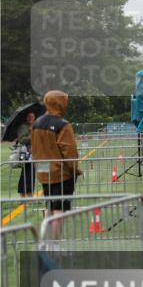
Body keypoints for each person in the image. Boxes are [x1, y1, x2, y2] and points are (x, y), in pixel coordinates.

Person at [31, 91, 83, 238]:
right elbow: (69, 151)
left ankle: (46, 242)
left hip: (43, 171)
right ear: (60, 103)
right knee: (59, 210)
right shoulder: (63, 125)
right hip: (61, 173)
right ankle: (54, 244)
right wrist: (75, 169)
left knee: (50, 207)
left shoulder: (36, 123)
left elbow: (34, 148)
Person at [15, 111, 36, 196]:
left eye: (32, 116)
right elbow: (21, 140)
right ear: (26, 118)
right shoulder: (23, 127)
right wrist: (30, 136)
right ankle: (24, 195)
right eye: (29, 116)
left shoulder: (35, 126)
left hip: (33, 153)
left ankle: (29, 194)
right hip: (25, 153)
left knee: (31, 174)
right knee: (26, 174)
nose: (31, 118)